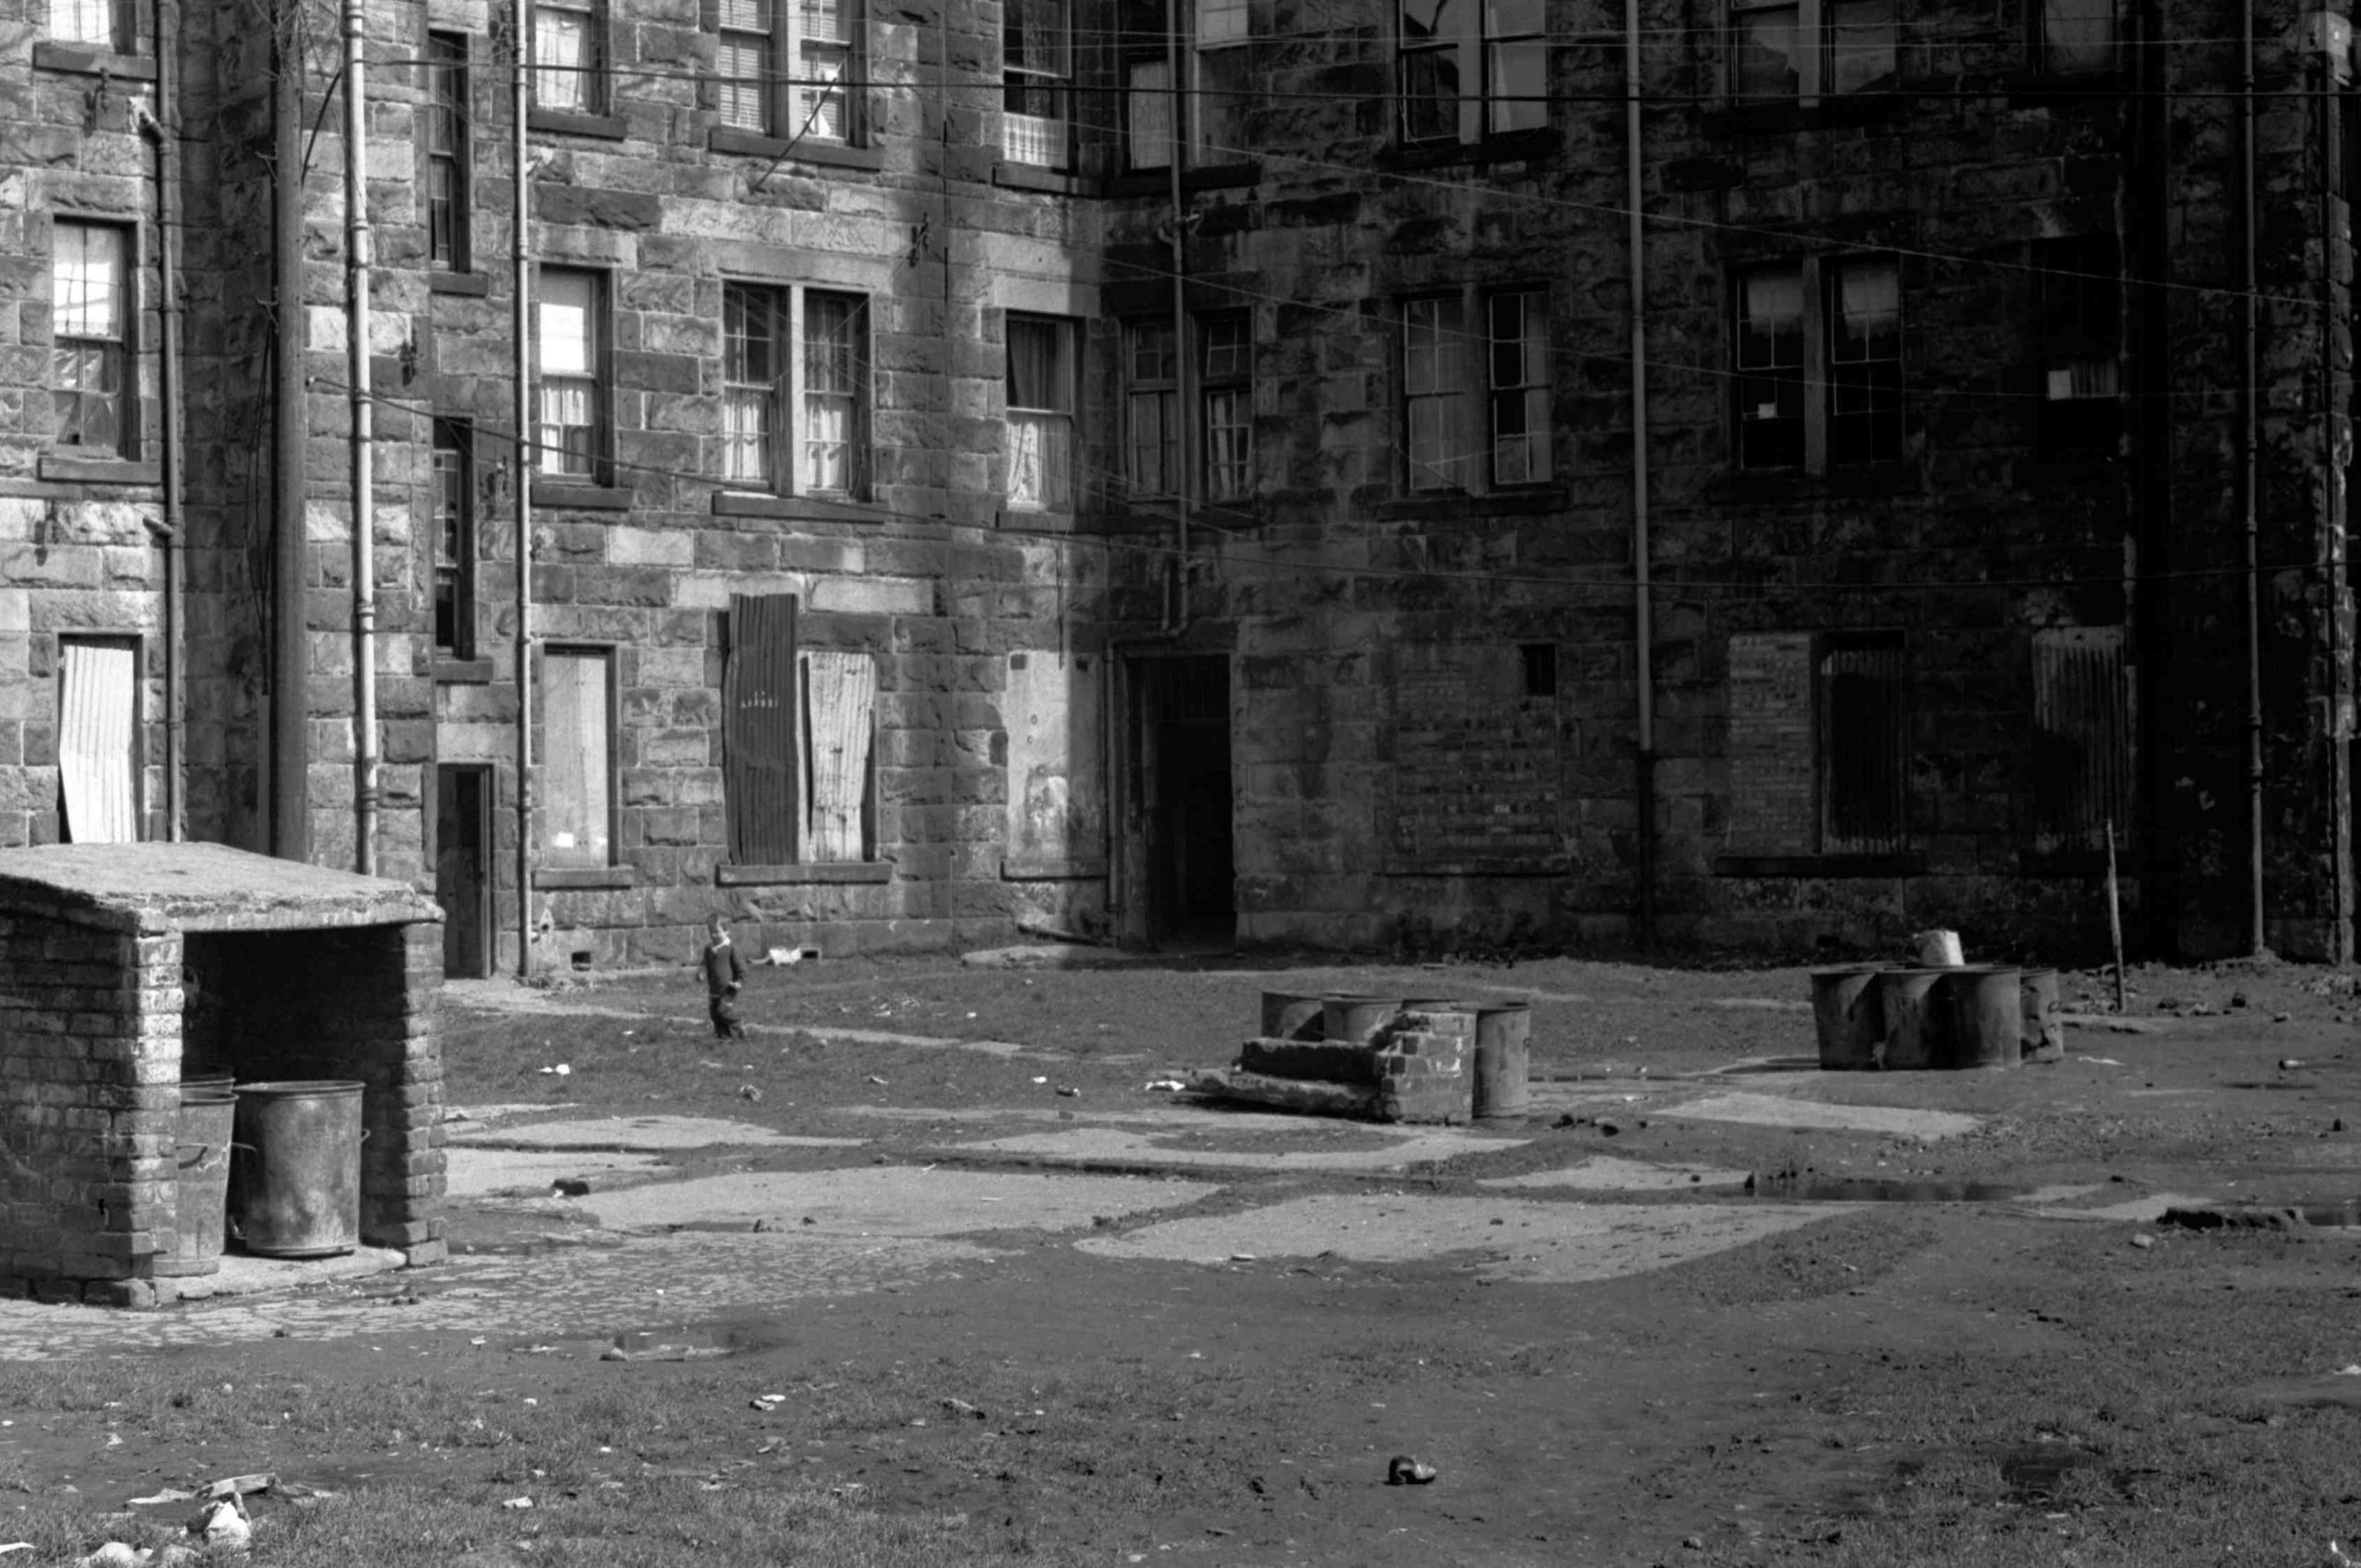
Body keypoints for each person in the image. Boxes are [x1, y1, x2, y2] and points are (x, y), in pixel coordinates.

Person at [702, 915, 747, 1039]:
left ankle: (738, 1023)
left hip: (729, 988)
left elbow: (740, 966)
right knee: (714, 1015)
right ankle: (724, 1037)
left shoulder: (730, 947)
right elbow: (704, 964)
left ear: (727, 931)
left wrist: (739, 980)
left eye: (717, 932)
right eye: (711, 932)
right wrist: (700, 972)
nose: (713, 935)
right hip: (714, 989)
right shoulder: (708, 949)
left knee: (723, 1011)